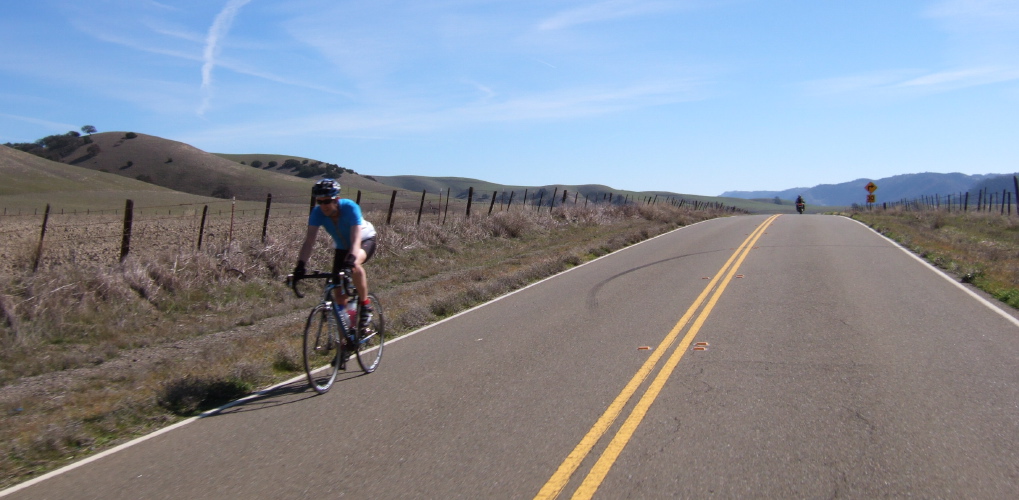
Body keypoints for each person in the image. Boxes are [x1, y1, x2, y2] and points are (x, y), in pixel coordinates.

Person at [293, 178, 377, 328]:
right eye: (320, 201)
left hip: (364, 240)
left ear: (336, 199)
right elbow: (309, 241)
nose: (323, 205)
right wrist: (300, 266)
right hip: (342, 247)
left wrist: (350, 261)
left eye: (327, 201)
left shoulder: (350, 207)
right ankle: (348, 333)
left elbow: (356, 238)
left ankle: (365, 306)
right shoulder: (317, 213)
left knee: (354, 265)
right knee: (339, 295)